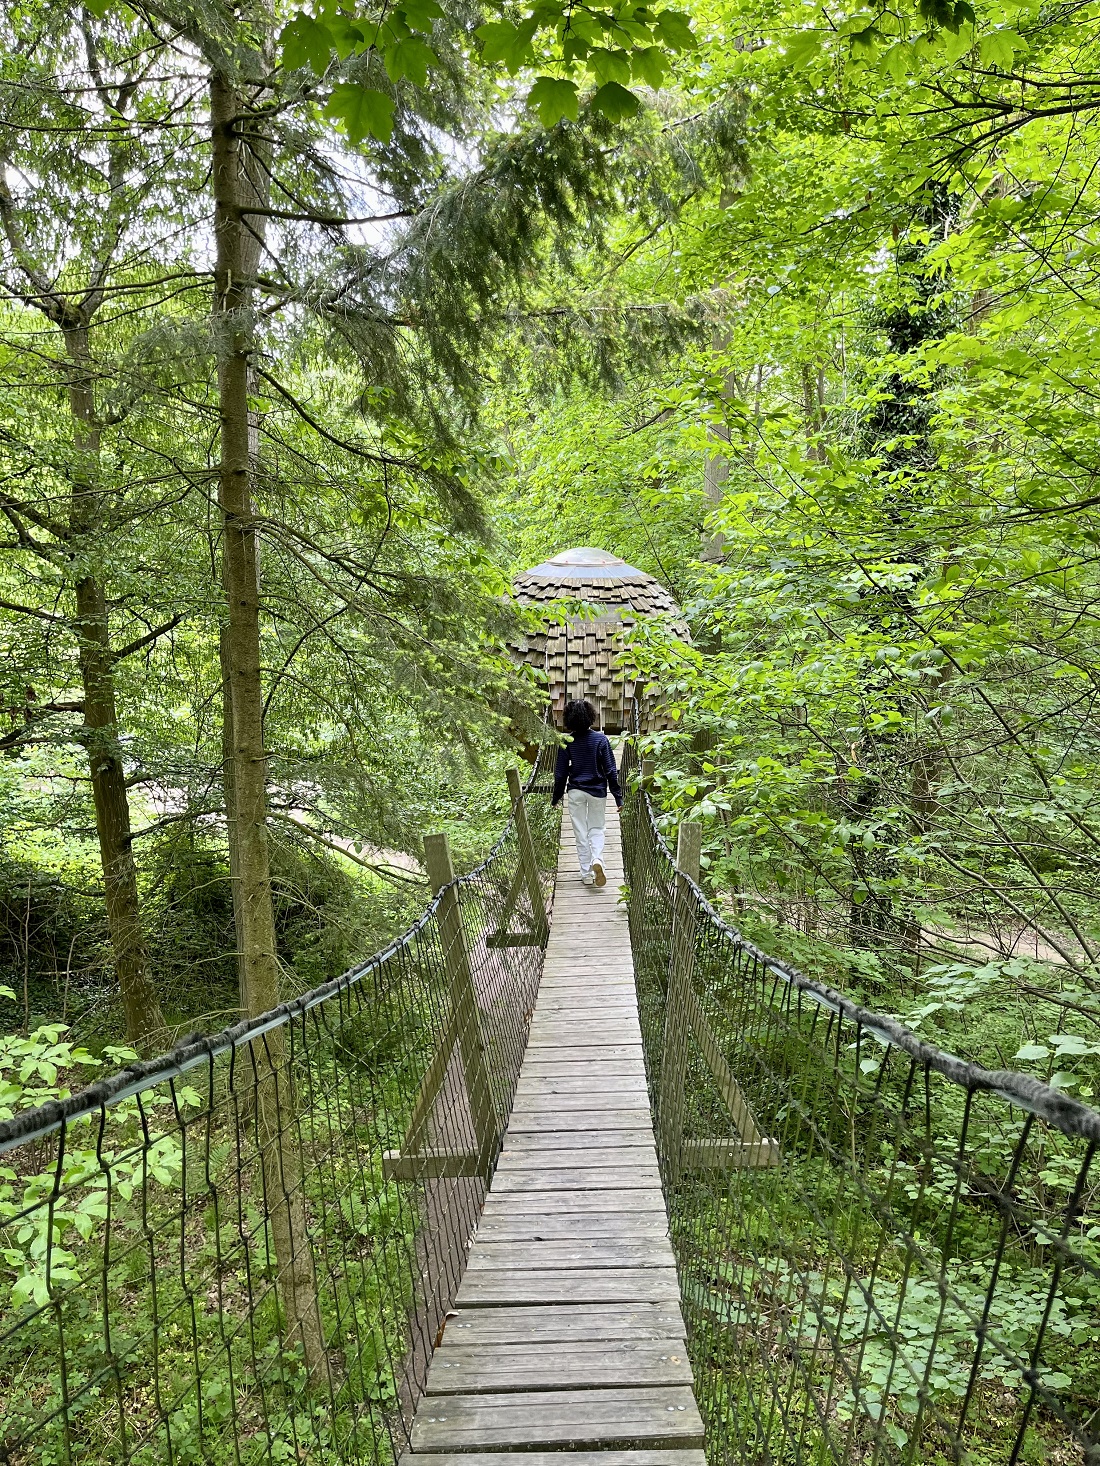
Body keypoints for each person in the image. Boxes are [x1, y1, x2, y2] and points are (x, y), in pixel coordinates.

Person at [551, 699, 623, 887]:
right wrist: (617, 796)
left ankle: (586, 874)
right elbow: (610, 770)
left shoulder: (566, 741)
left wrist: (556, 796)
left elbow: (560, 773)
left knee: (580, 832)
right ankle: (597, 860)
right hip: (597, 791)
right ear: (590, 716)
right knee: (597, 828)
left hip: (575, 792)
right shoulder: (601, 740)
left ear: (568, 719)